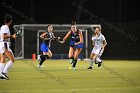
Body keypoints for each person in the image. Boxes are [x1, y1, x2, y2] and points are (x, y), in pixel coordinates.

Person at [0, 14, 17, 80]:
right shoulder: (6, 27)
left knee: (2, 60)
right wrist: (12, 36)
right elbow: (3, 37)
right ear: (10, 21)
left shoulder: (2, 26)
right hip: (4, 44)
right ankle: (4, 73)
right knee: (12, 60)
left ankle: (1, 75)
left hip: (1, 44)